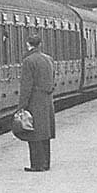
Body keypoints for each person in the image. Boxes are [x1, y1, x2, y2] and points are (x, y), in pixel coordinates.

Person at [17, 33, 56, 172]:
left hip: (34, 100)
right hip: (47, 100)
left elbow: (26, 86)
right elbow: (53, 79)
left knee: (33, 134)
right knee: (45, 133)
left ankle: (37, 165)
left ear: (28, 45)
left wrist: (21, 106)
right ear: (40, 45)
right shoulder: (49, 59)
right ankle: (46, 163)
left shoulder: (29, 61)